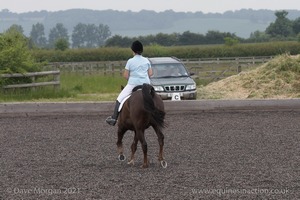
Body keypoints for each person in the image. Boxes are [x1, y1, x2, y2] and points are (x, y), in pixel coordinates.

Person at [106, 40, 153, 126]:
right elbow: (150, 74)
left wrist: (131, 80)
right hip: (146, 85)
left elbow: (125, 75)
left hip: (133, 84)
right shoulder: (146, 60)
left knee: (119, 99)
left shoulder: (130, 61)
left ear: (133, 50)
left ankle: (114, 118)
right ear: (141, 50)